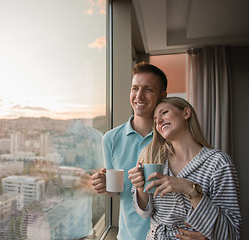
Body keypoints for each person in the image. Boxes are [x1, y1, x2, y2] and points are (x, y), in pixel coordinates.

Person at [91, 62, 206, 240]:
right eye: (135, 88)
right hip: (129, 236)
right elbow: (119, 191)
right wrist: (105, 186)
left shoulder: (173, 136)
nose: (139, 95)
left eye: (148, 89)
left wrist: (207, 231)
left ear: (162, 95)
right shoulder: (110, 139)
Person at [128, 97, 241, 239]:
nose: (159, 121)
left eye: (164, 113)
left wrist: (191, 189)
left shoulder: (218, 163)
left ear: (186, 113)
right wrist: (139, 188)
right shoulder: (153, 159)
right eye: (155, 119)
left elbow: (231, 234)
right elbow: (144, 213)